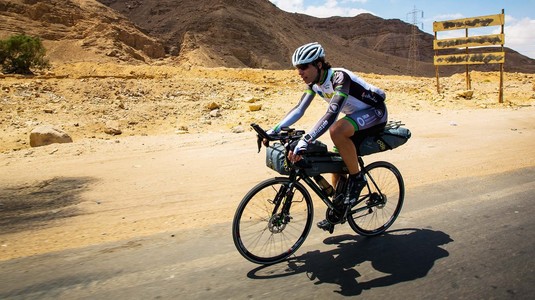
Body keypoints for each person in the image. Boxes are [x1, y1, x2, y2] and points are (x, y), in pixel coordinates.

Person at [267, 42, 388, 233]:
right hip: (355, 118)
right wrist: (273, 130)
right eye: (298, 68)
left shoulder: (340, 77)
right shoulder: (314, 84)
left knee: (336, 130)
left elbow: (332, 114)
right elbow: (299, 109)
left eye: (304, 67)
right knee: (336, 163)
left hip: (375, 113)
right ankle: (338, 207)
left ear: (319, 65)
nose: (300, 72)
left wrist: (306, 140)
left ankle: (357, 179)